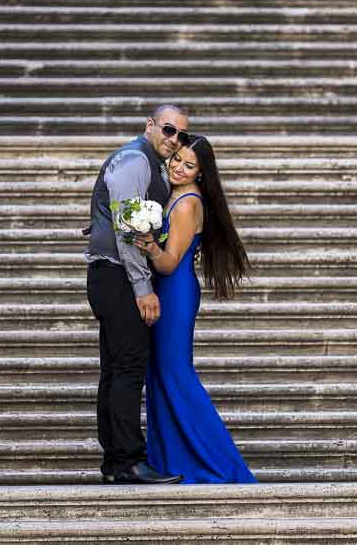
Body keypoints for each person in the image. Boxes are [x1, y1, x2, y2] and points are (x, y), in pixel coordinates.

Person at [134, 135, 257, 483]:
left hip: (174, 291)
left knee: (176, 375)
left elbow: (169, 263)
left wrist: (147, 245)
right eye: (177, 160)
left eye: (189, 166)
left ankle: (223, 463)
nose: (178, 168)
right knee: (158, 375)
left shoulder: (188, 203)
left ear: (201, 174)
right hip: (170, 290)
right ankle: (174, 462)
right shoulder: (172, 193)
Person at [84, 105, 189, 484]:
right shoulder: (135, 160)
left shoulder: (147, 161)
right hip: (118, 277)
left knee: (115, 370)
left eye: (180, 134)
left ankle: (115, 463)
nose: (173, 138)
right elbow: (128, 227)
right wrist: (143, 288)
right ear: (150, 126)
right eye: (168, 129)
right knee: (127, 368)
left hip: (110, 275)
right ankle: (128, 460)